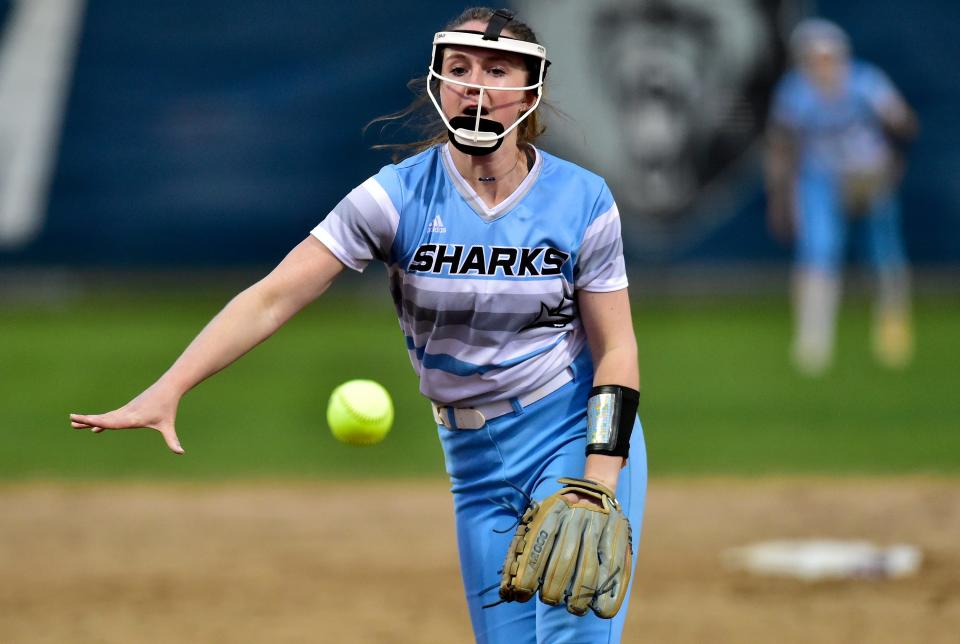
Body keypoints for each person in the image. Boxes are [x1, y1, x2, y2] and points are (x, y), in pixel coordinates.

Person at [69, 7, 647, 644]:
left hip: (567, 431)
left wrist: (598, 481)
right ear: (437, 80)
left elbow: (615, 346)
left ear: (529, 87)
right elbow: (270, 298)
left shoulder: (582, 198)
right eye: (460, 69)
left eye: (496, 69)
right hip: (473, 461)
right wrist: (169, 387)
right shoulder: (396, 196)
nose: (475, 85)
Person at [765, 18, 918, 376]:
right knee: (818, 251)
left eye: (828, 57)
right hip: (820, 179)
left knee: (884, 250)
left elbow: (905, 125)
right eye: (814, 58)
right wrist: (780, 196)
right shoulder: (795, 92)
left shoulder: (867, 82)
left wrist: (892, 158)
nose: (822, 65)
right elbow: (782, 145)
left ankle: (893, 329)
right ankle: (813, 340)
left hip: (869, 175)